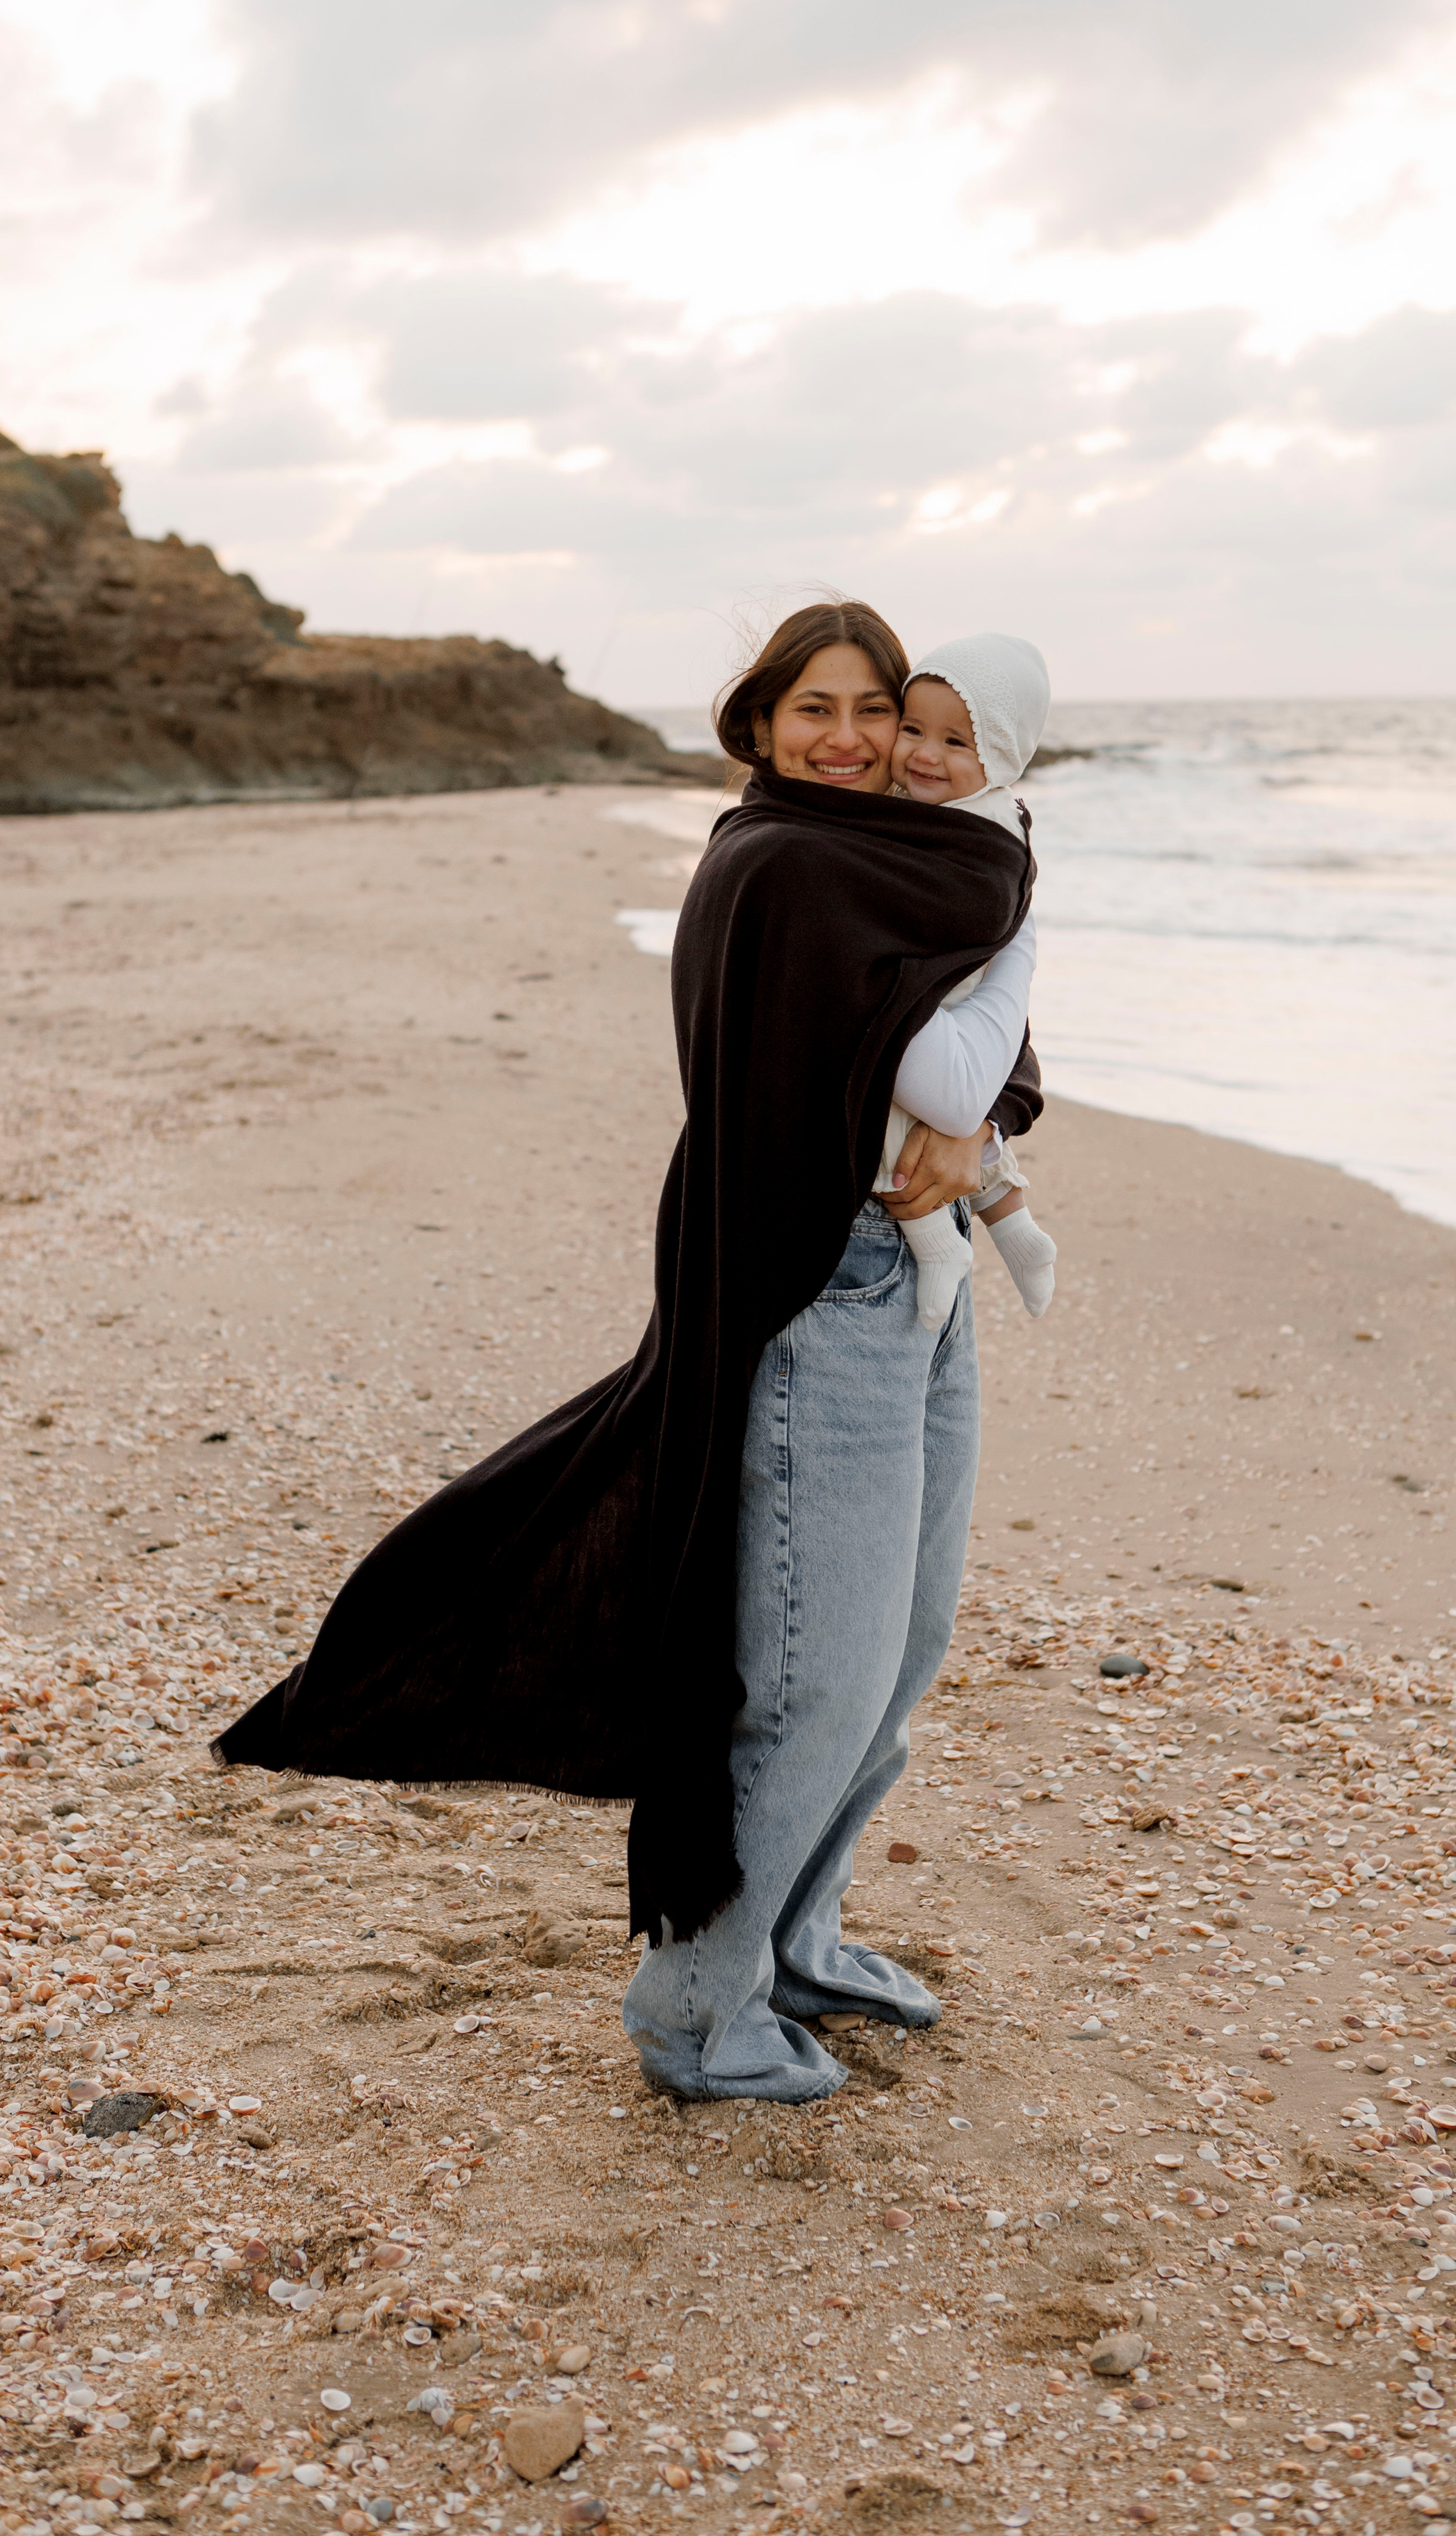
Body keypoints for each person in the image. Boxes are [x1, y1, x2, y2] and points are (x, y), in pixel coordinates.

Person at [211, 597, 1042, 2112]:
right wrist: (963, 1102)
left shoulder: (911, 859)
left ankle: (799, 1938)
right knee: (815, 1681)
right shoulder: (777, 862)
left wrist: (984, 1123)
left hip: (924, 1285)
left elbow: (969, 1041)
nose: (853, 740)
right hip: (809, 1293)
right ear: (760, 723)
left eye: (880, 710)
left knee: (905, 1652)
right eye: (819, 711)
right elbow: (917, 1047)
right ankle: (695, 2004)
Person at [871, 635, 1061, 1330]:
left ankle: (933, 1240)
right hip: (953, 990)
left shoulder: (982, 831)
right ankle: (1013, 1226)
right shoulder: (966, 808)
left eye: (956, 743)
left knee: (876, 1097)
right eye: (913, 729)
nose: (923, 754)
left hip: (940, 988)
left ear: (1002, 756)